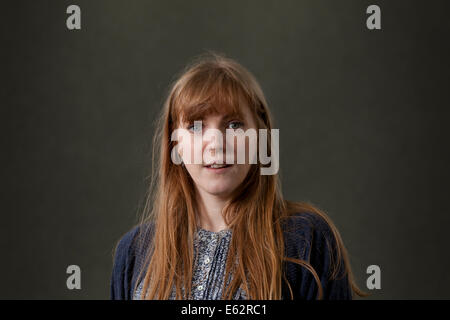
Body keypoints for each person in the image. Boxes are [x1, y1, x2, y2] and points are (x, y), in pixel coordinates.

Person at [110, 51, 366, 300]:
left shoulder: (306, 240)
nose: (216, 143)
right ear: (175, 143)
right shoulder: (134, 253)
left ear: (260, 136)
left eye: (234, 125)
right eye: (196, 126)